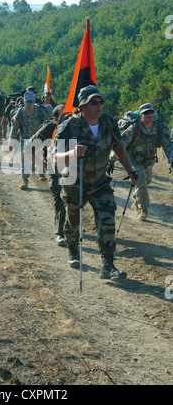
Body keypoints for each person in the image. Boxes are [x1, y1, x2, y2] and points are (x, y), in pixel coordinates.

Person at [52, 85, 138, 280]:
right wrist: (72, 153)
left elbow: (119, 148)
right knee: (73, 219)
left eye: (100, 102)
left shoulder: (108, 122)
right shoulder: (69, 126)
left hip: (99, 181)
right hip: (75, 181)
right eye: (94, 102)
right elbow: (53, 158)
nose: (99, 106)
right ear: (82, 107)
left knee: (107, 218)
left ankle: (107, 264)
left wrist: (131, 171)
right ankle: (73, 249)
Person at [120, 103, 173, 221]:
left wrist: (171, 159)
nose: (149, 115)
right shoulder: (134, 127)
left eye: (151, 112)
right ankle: (143, 210)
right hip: (133, 158)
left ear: (154, 114)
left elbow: (167, 144)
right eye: (146, 113)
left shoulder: (159, 127)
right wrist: (111, 160)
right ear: (141, 116)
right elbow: (121, 144)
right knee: (141, 180)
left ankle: (136, 201)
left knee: (146, 181)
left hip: (149, 159)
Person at [25, 104, 67, 246]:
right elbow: (28, 148)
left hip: (73, 169)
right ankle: (60, 233)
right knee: (60, 199)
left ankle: (70, 225)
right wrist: (43, 166)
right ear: (55, 118)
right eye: (63, 115)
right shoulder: (50, 128)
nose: (67, 117)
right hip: (54, 170)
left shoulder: (76, 126)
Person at [9, 90, 49, 189]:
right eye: (27, 104)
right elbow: (15, 127)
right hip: (25, 138)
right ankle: (25, 180)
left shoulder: (40, 111)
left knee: (39, 155)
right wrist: (11, 140)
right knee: (25, 159)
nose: (29, 107)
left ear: (34, 101)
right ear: (24, 102)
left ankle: (41, 173)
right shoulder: (20, 112)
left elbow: (47, 124)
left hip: (38, 137)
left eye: (31, 104)